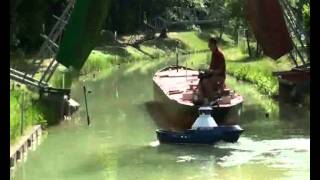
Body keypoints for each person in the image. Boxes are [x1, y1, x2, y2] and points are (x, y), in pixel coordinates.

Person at [194, 36, 226, 105]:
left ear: (214, 45)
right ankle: (202, 100)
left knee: (206, 82)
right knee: (201, 81)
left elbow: (220, 71)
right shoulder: (213, 54)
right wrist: (205, 72)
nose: (209, 47)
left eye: (210, 45)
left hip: (220, 77)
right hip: (214, 75)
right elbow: (211, 68)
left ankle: (213, 99)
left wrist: (211, 72)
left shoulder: (220, 55)